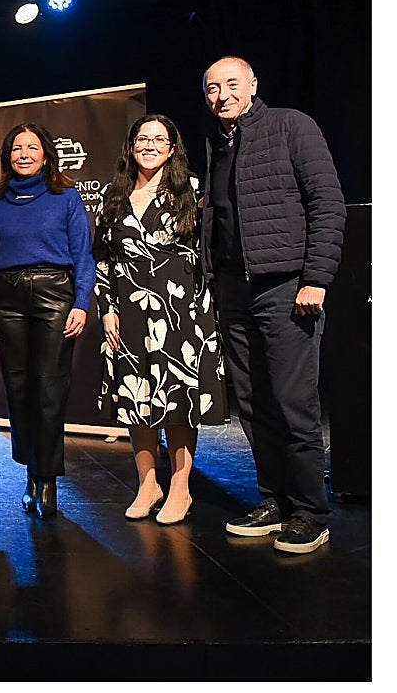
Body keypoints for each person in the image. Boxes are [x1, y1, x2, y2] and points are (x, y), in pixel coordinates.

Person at [202, 56, 345, 555]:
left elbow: (327, 203)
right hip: (235, 293)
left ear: (254, 85)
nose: (222, 94)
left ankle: (310, 511)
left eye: (231, 84)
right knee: (253, 404)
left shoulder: (291, 125)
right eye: (213, 87)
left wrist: (316, 279)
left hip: (287, 288)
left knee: (293, 405)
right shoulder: (216, 145)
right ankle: (274, 500)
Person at [93, 114, 226, 526]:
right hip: (129, 309)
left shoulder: (193, 191)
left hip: (181, 310)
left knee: (178, 399)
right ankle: (148, 483)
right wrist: (107, 308)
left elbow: (212, 249)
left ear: (172, 148)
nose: (149, 145)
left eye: (159, 139)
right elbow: (103, 258)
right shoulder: (112, 196)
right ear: (131, 146)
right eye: (142, 138)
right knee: (138, 399)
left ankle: (181, 486)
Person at [0, 122, 95, 519]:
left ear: (46, 153)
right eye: (16, 148)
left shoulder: (66, 198)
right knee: (19, 388)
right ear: (8, 156)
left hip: (53, 294)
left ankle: (47, 479)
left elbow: (82, 255)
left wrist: (81, 303)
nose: (24, 154)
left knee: (49, 390)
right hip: (5, 297)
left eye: (32, 147)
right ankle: (31, 470)